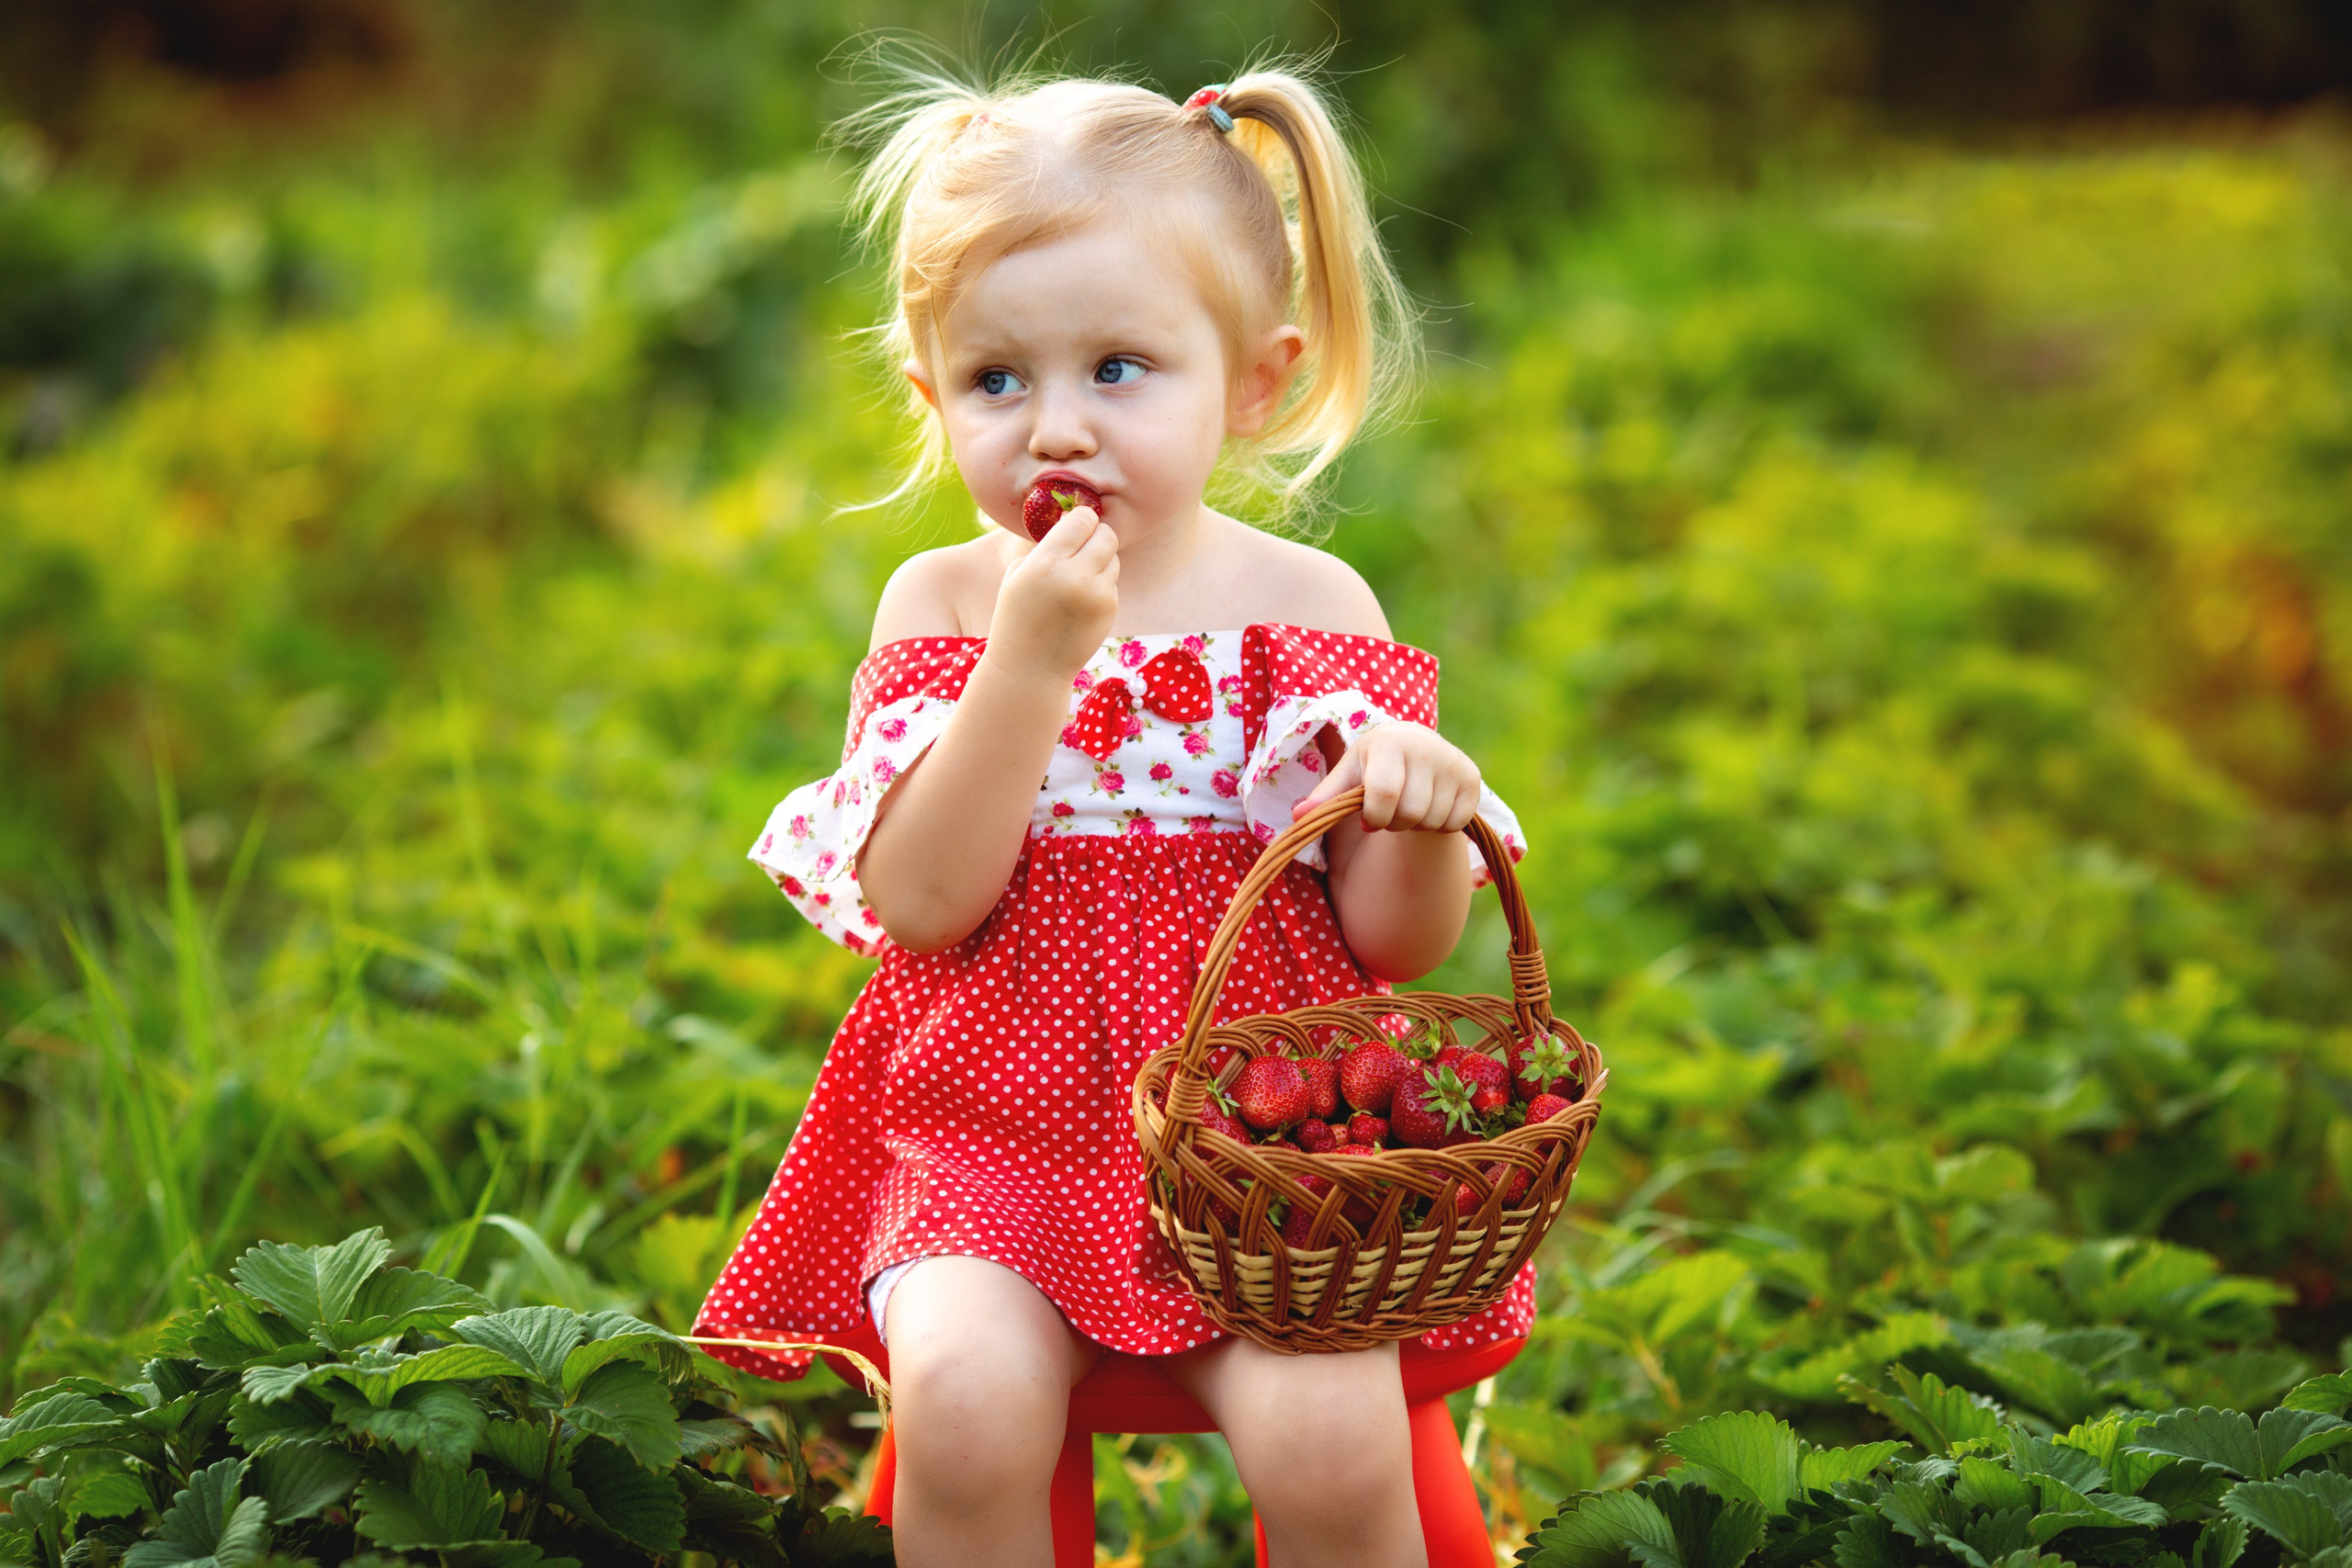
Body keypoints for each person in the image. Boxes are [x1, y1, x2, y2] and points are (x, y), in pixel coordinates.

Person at [694, 62, 1529, 1568]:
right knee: (965, 1402)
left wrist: (1413, 813)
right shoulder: (947, 604)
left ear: (1253, 383)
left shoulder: (1307, 607)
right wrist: (1024, 669)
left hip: (1260, 1169)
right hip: (989, 1154)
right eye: (996, 381)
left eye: (1121, 369)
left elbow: (1393, 947)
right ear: (929, 395)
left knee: (1334, 1445)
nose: (1056, 431)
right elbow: (923, 904)